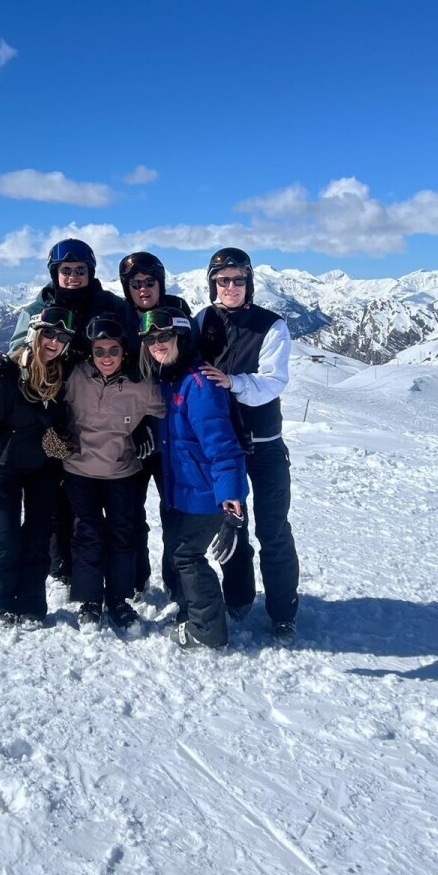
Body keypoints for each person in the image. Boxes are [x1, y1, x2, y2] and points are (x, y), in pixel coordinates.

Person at [9, 238, 128, 587]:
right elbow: (19, 350)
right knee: (59, 491)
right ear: (55, 273)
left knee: (108, 496)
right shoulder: (37, 309)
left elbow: (134, 348)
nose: (73, 276)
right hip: (52, 410)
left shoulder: (111, 305)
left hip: (103, 412)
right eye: (66, 270)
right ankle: (62, 565)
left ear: (90, 272)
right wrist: (4, 364)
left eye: (80, 270)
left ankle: (123, 571)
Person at [196, 248, 299, 643]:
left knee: (273, 529)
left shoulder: (271, 325)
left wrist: (232, 382)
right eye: (223, 280)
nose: (231, 286)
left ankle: (282, 611)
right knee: (232, 524)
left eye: (238, 279)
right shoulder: (203, 320)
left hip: (264, 442)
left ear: (249, 282)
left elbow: (273, 381)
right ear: (213, 284)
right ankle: (238, 597)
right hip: (225, 444)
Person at [139, 307, 249, 650]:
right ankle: (191, 610)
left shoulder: (199, 384)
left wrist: (230, 498)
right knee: (179, 553)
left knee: (188, 557)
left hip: (205, 493)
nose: (157, 344)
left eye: (164, 337)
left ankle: (207, 631)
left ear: (181, 338)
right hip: (182, 491)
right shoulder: (170, 378)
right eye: (150, 340)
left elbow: (223, 445)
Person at [0, 305, 74, 628]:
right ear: (33, 334)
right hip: (6, 469)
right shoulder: (4, 377)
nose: (54, 342)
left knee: (38, 537)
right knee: (5, 538)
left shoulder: (63, 376)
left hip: (44, 470)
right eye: (49, 334)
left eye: (61, 338)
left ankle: (32, 604)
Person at [62, 313, 165, 631]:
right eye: (99, 351)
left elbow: (167, 412)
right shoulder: (75, 376)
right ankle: (90, 600)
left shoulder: (140, 384)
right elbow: (43, 387)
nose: (107, 357)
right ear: (90, 353)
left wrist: (148, 425)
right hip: (79, 469)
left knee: (122, 534)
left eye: (113, 350)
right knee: (88, 533)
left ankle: (119, 599)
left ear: (124, 351)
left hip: (121, 471)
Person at [118, 252, 192, 596]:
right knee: (130, 513)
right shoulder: (120, 318)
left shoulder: (178, 312)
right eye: (136, 284)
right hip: (132, 432)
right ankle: (136, 580)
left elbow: (189, 364)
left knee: (174, 511)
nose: (143, 289)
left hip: (170, 432)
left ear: (160, 283)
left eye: (150, 282)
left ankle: (177, 583)